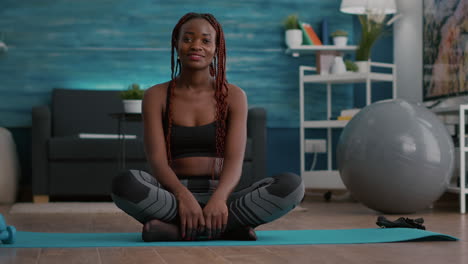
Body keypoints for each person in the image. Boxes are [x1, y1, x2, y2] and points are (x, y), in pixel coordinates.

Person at [111, 12, 304, 242]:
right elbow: (157, 162)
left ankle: (176, 231)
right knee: (124, 184)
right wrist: (183, 196)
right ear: (176, 43)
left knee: (292, 186)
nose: (196, 46)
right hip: (172, 196)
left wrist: (220, 199)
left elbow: (234, 161)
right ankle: (227, 229)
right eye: (188, 39)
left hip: (223, 197)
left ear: (217, 48)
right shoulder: (156, 96)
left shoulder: (234, 96)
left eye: (205, 40)